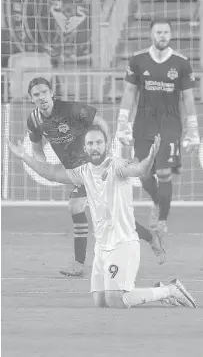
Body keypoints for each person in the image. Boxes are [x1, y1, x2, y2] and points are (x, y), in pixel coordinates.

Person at [8, 125, 196, 309]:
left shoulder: (118, 166)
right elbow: (51, 173)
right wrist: (24, 156)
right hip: (102, 247)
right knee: (100, 301)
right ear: (85, 148)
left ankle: (170, 290)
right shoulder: (83, 171)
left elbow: (137, 170)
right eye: (90, 143)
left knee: (115, 301)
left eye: (99, 142)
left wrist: (150, 158)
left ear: (107, 145)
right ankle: (160, 290)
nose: (94, 147)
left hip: (122, 243)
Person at [26, 77, 164, 278]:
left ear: (51, 93)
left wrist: (105, 147)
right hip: (78, 174)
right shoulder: (34, 120)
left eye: (44, 92)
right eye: (36, 95)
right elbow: (37, 149)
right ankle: (151, 238)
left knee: (87, 210)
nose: (41, 97)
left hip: (94, 167)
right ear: (31, 99)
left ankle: (78, 263)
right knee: (113, 218)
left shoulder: (70, 109)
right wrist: (43, 166)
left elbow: (99, 121)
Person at [116, 18, 200, 245]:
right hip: (143, 122)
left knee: (164, 173)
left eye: (165, 32)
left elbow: (189, 98)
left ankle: (162, 219)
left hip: (170, 123)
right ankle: (157, 201)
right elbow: (129, 92)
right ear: (151, 34)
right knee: (143, 174)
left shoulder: (181, 63)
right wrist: (122, 122)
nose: (162, 35)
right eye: (158, 32)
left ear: (170, 35)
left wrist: (193, 129)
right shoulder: (138, 60)